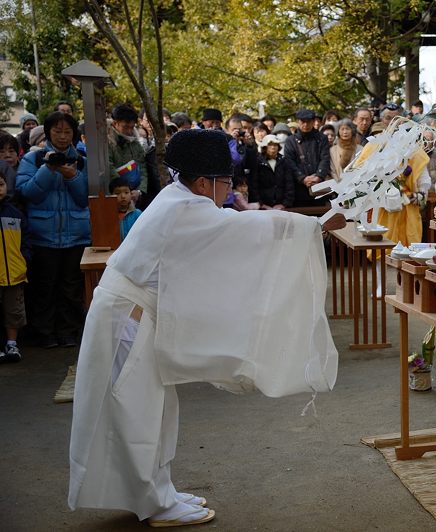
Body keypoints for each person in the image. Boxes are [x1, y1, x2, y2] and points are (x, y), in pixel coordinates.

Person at [68, 128, 344, 527]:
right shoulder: (185, 208)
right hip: (129, 318)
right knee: (138, 411)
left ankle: (157, 490)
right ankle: (155, 502)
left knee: (153, 411)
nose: (230, 191)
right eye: (226, 183)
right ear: (203, 182)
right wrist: (317, 226)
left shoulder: (177, 199)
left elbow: (232, 232)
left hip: (133, 314)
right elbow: (243, 231)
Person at [16, 111, 89, 348]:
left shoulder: (82, 160)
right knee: (44, 287)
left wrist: (72, 176)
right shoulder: (33, 159)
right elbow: (27, 193)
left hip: (76, 235)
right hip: (43, 235)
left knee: (71, 287)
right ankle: (44, 333)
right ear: (47, 133)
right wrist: (48, 169)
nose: (62, 136)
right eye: (57, 131)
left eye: (67, 131)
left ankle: (69, 331)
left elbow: (84, 199)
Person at [0, 172, 30, 363]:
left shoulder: (15, 214)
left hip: (14, 273)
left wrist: (24, 258)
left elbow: (26, 240)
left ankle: (12, 344)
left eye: (0, 184)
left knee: (14, 311)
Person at [282, 108, 331, 208]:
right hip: (298, 189)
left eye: (308, 122)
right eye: (302, 122)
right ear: (298, 122)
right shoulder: (290, 140)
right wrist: (302, 178)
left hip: (319, 186)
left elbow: (325, 158)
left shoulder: (322, 138)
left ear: (313, 121)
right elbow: (289, 162)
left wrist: (318, 176)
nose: (305, 125)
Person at [108, 103, 149, 202]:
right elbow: (109, 167)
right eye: (126, 127)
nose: (129, 131)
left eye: (132, 127)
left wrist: (140, 190)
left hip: (135, 195)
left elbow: (143, 167)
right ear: (115, 123)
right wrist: (125, 191)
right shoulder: (108, 142)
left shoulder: (135, 142)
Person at [255, 134, 299, 209]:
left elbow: (289, 184)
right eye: (270, 145)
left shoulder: (284, 161)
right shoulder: (258, 162)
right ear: (265, 147)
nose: (273, 147)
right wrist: (261, 204)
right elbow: (254, 184)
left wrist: (285, 204)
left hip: (282, 206)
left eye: (275, 145)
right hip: (262, 206)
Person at [109, 177, 141, 242]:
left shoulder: (138, 214)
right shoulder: (108, 215)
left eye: (126, 192)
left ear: (131, 194)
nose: (123, 196)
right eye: (117, 193)